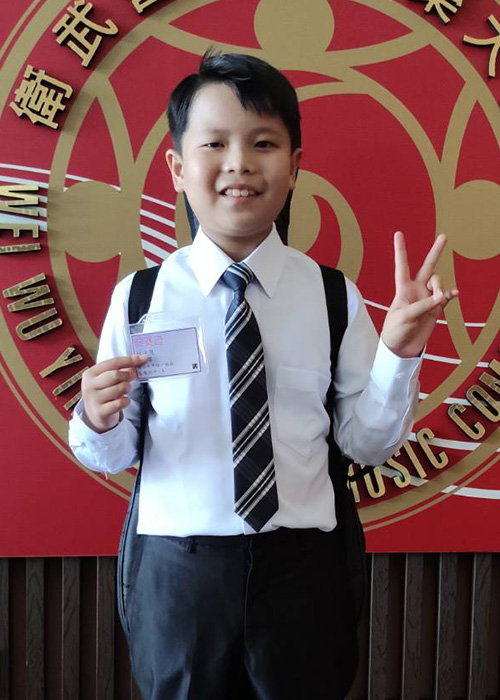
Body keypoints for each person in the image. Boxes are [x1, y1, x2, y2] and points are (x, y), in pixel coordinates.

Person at [68, 52, 458, 699]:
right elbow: (111, 455)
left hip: (303, 570)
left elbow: (366, 445)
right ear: (177, 167)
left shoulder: (333, 296)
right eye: (214, 143)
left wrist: (399, 354)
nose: (239, 163)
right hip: (178, 571)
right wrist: (96, 416)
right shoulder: (140, 297)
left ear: (294, 165)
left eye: (264, 144)